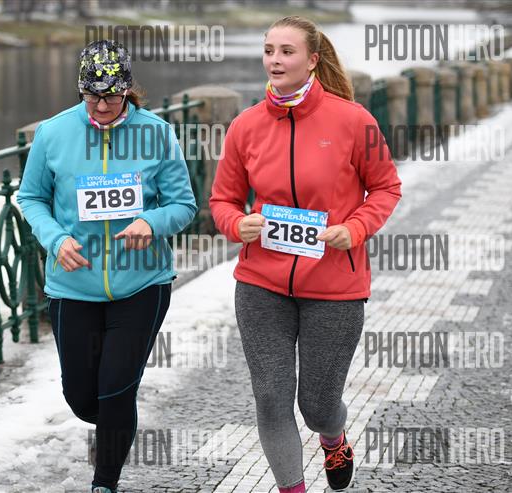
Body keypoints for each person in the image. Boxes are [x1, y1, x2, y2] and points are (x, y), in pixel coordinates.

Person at [209, 16, 402, 493]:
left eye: (287, 51)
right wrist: (236, 224)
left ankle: (333, 437)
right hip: (261, 285)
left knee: (316, 406)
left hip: (334, 287)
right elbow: (222, 200)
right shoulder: (246, 125)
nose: (274, 60)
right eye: (269, 50)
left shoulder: (353, 120)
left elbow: (386, 187)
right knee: (272, 399)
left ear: (312, 60)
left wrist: (355, 228)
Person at [17, 40, 197, 493]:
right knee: (81, 398)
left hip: (142, 284)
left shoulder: (156, 133)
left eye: (111, 97)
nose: (100, 106)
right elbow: (31, 197)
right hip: (72, 285)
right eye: (91, 96)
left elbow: (183, 205)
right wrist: (56, 239)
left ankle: (105, 483)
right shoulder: (53, 133)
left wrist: (151, 223)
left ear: (127, 90)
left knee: (117, 387)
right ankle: (113, 425)